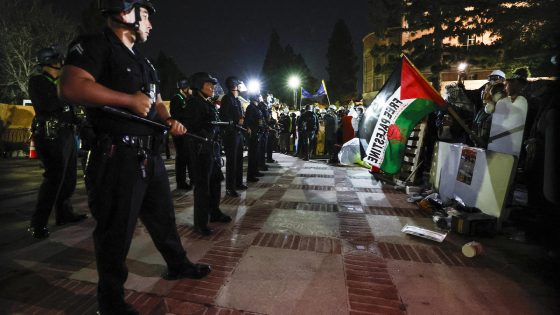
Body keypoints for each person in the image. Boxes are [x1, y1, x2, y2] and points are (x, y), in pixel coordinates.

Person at [59, 1, 210, 313]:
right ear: (125, 12)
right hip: (116, 156)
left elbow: (155, 102)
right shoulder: (93, 46)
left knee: (163, 218)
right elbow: (72, 87)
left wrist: (168, 121)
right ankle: (111, 301)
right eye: (146, 17)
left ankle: (178, 264)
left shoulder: (144, 61)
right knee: (116, 230)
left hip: (148, 155)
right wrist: (126, 99)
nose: (150, 25)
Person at [27, 47, 88, 239]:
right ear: (52, 62)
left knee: (69, 177)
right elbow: (50, 104)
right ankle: (38, 223)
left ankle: (64, 213)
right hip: (50, 134)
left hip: (67, 132)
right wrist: (67, 96)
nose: (62, 63)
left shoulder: (62, 82)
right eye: (59, 61)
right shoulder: (38, 81)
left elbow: (72, 108)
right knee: (54, 178)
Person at [184, 72, 232, 236]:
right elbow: (191, 126)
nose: (212, 88)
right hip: (200, 149)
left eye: (212, 84)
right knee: (202, 186)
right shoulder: (194, 103)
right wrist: (206, 133)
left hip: (211, 148)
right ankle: (200, 223)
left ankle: (215, 212)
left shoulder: (208, 103)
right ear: (198, 85)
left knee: (216, 181)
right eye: (208, 84)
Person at [219, 76, 247, 197]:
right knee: (232, 161)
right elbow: (224, 117)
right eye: (239, 84)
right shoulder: (227, 99)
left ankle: (238, 182)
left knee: (239, 159)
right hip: (231, 134)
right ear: (234, 85)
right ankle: (230, 188)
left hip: (238, 133)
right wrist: (236, 122)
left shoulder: (237, 100)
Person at [170, 77, 194, 190]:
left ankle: (191, 180)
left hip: (186, 133)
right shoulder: (177, 98)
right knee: (182, 158)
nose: (190, 90)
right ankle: (181, 182)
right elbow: (176, 115)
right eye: (189, 88)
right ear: (185, 88)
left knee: (188, 156)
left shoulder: (186, 98)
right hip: (179, 133)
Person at [244, 94, 265, 182]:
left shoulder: (256, 108)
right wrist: (249, 130)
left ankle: (255, 171)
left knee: (256, 154)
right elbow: (248, 120)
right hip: (253, 134)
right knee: (252, 155)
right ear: (255, 98)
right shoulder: (251, 107)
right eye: (259, 97)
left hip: (257, 133)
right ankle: (250, 175)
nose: (260, 98)